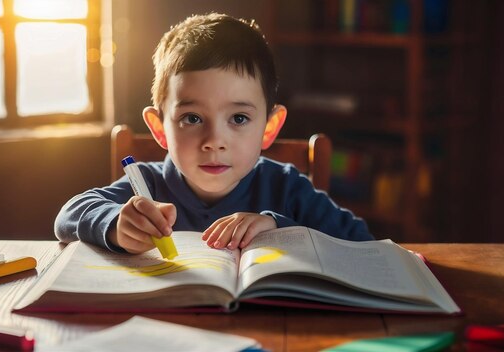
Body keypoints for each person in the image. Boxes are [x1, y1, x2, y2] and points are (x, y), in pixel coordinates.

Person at [54, 12, 373, 254]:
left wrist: (280, 228)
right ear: (159, 129)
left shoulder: (287, 188)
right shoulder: (148, 187)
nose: (214, 142)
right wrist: (115, 225)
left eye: (238, 118)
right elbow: (67, 216)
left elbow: (364, 244)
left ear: (269, 128)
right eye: (192, 118)